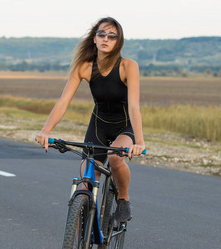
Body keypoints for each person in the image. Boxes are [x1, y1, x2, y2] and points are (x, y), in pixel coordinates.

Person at [36, 17, 145, 222]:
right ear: (94, 38)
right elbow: (63, 103)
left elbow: (133, 107)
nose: (106, 39)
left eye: (112, 36)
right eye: (101, 34)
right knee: (86, 180)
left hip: (125, 125)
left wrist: (139, 142)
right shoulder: (84, 67)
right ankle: (80, 228)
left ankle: (123, 198)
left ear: (118, 42)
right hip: (99, 125)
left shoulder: (128, 66)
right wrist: (46, 130)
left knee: (114, 158)